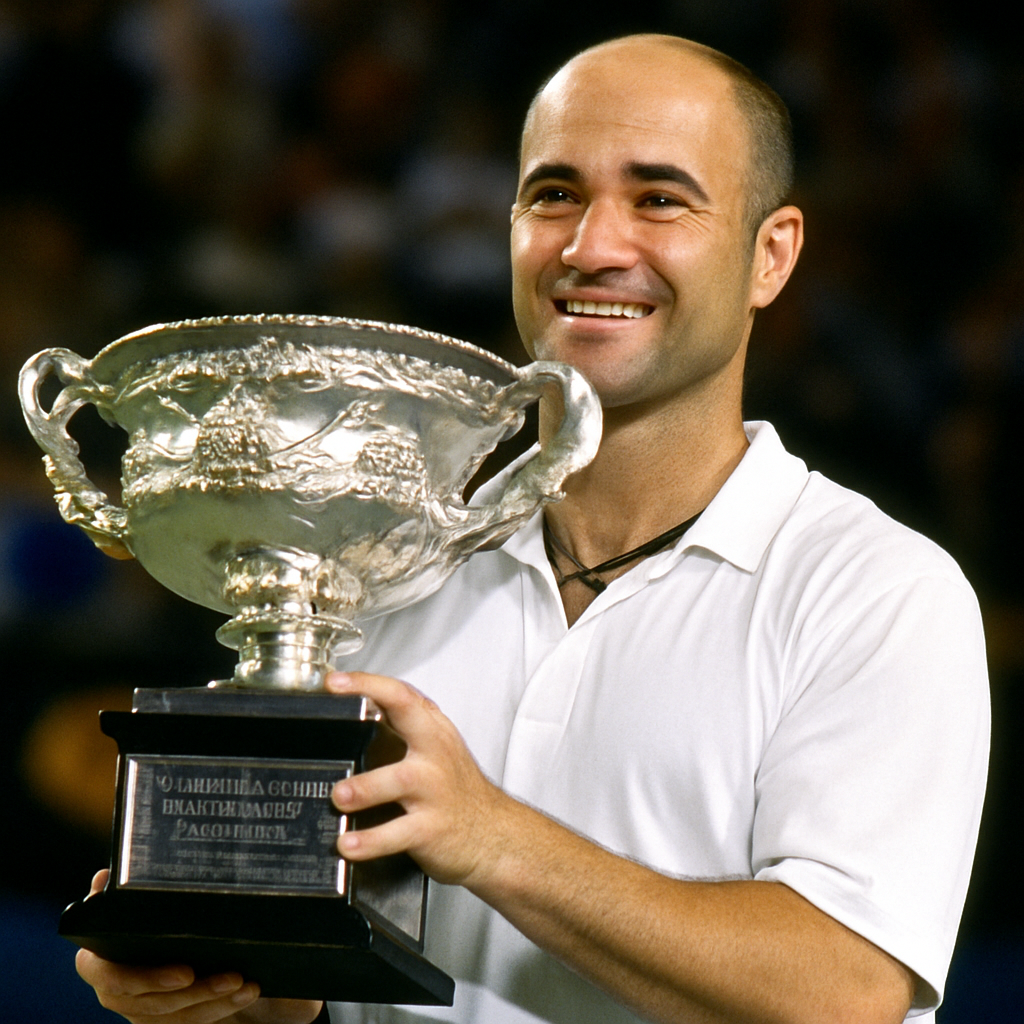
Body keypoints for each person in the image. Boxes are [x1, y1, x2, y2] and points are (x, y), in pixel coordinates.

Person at [76, 34, 989, 1024]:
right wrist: (232, 985)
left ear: (770, 254)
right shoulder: (382, 564)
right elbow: (333, 986)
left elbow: (843, 989)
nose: (592, 245)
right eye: (554, 193)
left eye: (659, 198)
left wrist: (497, 839)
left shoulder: (875, 589)